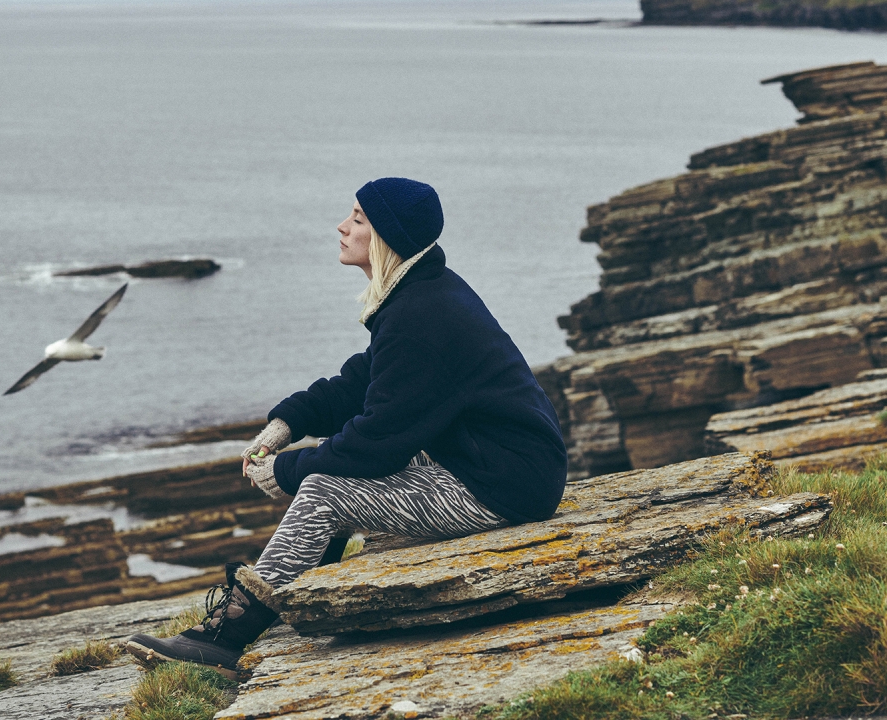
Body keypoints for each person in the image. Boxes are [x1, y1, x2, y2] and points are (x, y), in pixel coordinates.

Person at [125, 177, 567, 675]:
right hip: (494, 461)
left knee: (324, 491)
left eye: (358, 219)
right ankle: (311, 587)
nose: (342, 226)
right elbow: (360, 381)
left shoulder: (422, 314)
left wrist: (287, 472)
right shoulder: (419, 292)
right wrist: (287, 424)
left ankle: (227, 638)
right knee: (331, 473)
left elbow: (376, 443)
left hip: (502, 485)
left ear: (385, 238)